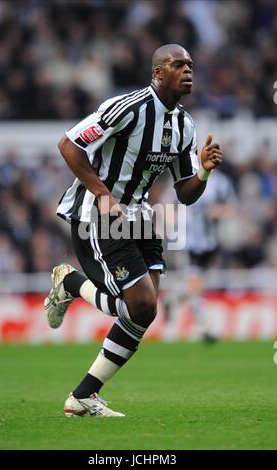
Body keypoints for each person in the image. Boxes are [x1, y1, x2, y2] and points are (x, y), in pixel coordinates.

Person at [44, 44, 223, 417]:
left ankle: (83, 396)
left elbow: (186, 193)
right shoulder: (128, 107)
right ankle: (70, 284)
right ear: (159, 72)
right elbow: (69, 144)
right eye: (179, 64)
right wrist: (102, 193)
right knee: (139, 303)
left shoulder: (184, 125)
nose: (188, 70)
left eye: (190, 65)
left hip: (140, 217)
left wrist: (203, 170)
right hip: (99, 212)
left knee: (144, 311)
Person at [184, 169, 237, 342]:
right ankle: (203, 327)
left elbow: (233, 207)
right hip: (188, 242)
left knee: (196, 284)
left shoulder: (220, 182)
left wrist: (218, 211)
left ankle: (174, 299)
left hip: (210, 243)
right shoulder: (186, 175)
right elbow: (170, 204)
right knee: (195, 282)